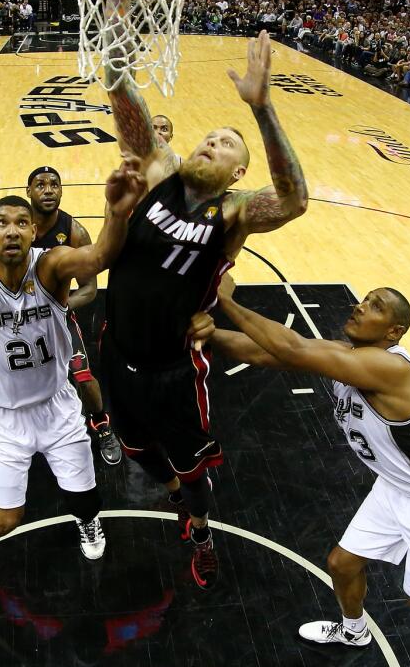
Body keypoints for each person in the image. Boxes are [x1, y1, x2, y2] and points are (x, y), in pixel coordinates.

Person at [189, 276, 410, 646]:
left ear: (394, 332)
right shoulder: (349, 357)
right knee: (342, 564)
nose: (359, 306)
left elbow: (291, 348)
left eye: (375, 306)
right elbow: (264, 352)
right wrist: (205, 335)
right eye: (365, 299)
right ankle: (354, 632)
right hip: (397, 485)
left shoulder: (392, 369)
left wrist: (221, 301)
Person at [103, 29, 308, 590]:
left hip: (174, 368)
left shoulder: (235, 211)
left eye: (225, 144)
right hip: (117, 354)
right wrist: (117, 42)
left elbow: (294, 200)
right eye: (208, 137)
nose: (210, 144)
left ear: (239, 172)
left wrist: (261, 111)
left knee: (194, 473)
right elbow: (125, 99)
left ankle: (199, 529)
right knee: (138, 452)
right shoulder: (161, 173)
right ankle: (171, 493)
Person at [0, 125, 145, 602]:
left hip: (58, 408)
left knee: (87, 498)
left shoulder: (50, 265)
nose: (13, 229)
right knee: (8, 517)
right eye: (3, 222)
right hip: (4, 419)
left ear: (33, 230)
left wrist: (117, 211)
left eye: (21, 222)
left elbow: (99, 255)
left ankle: (88, 524)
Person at [0, 165, 123, 497]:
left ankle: (101, 424)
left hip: (54, 319)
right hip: (3, 325)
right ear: (29, 192)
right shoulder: (3, 231)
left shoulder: (74, 231)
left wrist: (57, 305)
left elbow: (91, 289)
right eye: (40, 184)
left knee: (83, 376)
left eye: (54, 184)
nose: (48, 190)